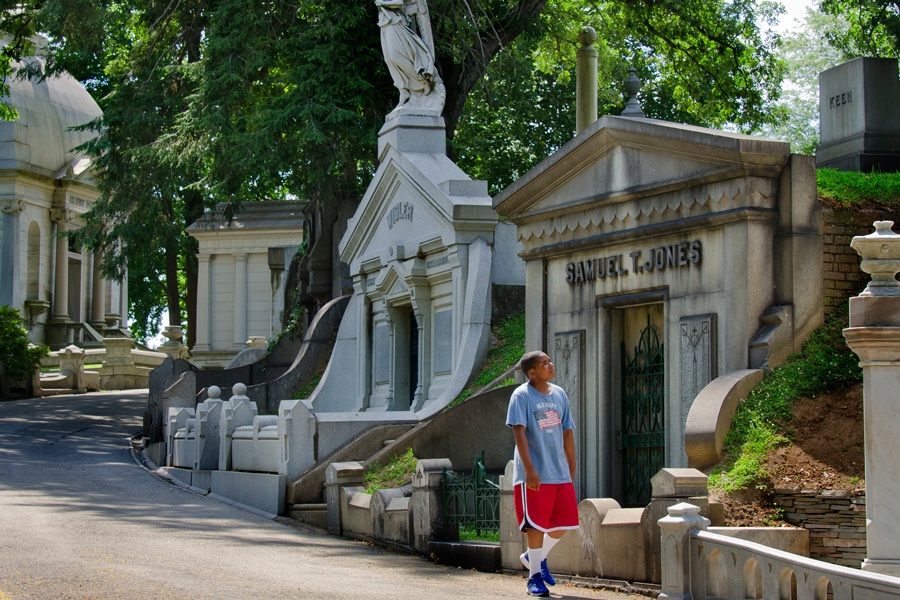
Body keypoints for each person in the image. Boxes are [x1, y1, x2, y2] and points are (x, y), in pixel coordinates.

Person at [506, 351, 578, 597]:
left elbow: (567, 432)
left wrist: (572, 465)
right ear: (532, 372)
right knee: (535, 525)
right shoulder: (521, 395)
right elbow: (519, 432)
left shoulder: (559, 394)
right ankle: (534, 577)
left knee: (565, 522)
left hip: (558, 472)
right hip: (535, 472)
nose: (551, 365)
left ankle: (536, 556)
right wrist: (529, 469)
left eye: (549, 361)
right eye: (544, 363)